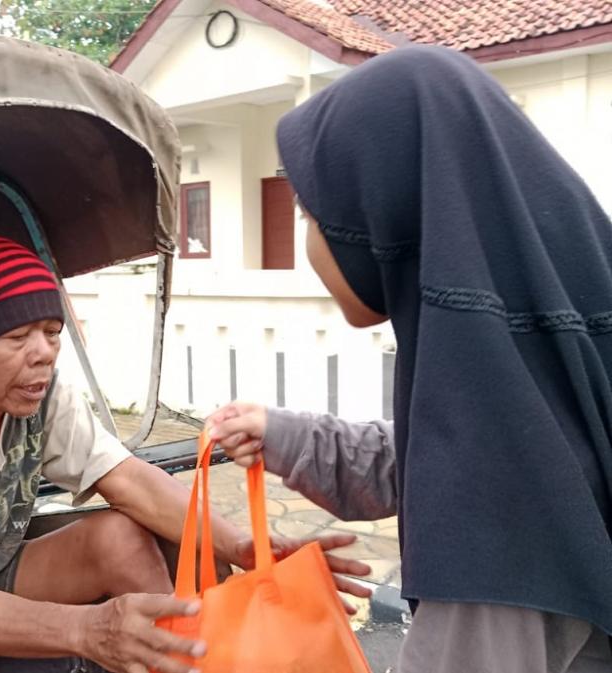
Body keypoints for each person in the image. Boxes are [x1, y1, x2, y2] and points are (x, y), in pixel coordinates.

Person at [207, 46, 612, 672]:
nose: (311, 240)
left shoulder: (495, 524)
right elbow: (438, 455)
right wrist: (282, 433)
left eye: (310, 213)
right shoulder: (541, 387)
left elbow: (470, 478)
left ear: (381, 217)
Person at [0, 234, 371, 673]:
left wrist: (243, 546)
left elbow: (127, 478)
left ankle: (178, 659)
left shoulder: (37, 394)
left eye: (51, 331)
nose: (42, 354)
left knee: (119, 535)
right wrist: (89, 629)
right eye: (16, 337)